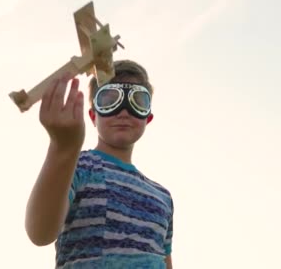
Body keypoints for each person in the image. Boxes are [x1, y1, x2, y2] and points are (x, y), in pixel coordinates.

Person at [24, 59, 174, 268]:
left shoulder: (163, 197)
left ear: (147, 118)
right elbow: (40, 232)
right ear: (94, 116)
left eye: (137, 102)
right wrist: (63, 148)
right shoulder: (79, 167)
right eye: (109, 100)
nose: (124, 111)